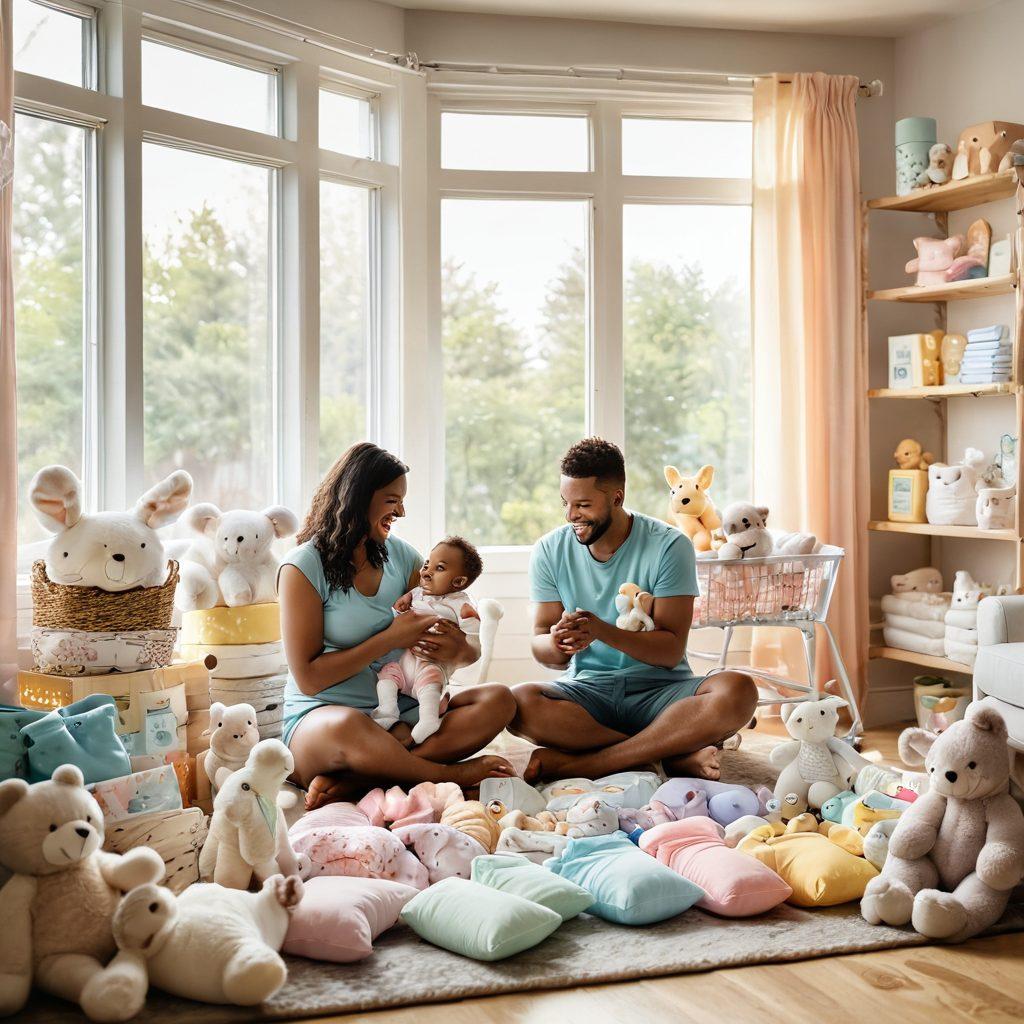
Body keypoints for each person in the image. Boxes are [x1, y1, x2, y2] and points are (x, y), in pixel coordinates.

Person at [278, 442, 515, 809]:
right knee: (348, 728)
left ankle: (359, 780)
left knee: (498, 700)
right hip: (325, 718)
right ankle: (446, 775)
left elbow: (455, 635)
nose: (401, 511)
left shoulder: (401, 556)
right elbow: (309, 678)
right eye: (392, 500)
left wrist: (461, 649)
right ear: (358, 498)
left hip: (400, 715)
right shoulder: (302, 568)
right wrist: (389, 638)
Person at [511, 437, 758, 782]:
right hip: (589, 693)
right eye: (565, 503)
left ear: (616, 498)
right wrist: (557, 642)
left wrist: (601, 630)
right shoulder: (549, 550)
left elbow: (671, 651)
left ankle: (589, 764)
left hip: (662, 693)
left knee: (738, 691)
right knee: (518, 702)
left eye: (582, 504)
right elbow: (543, 646)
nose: (571, 516)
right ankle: (669, 755)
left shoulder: (670, 546)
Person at [372, 536, 484, 745]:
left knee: (431, 683)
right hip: (406, 661)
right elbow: (398, 614)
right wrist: (400, 606)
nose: (426, 571)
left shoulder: (460, 602)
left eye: (439, 568)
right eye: (427, 564)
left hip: (430, 663)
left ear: (458, 582)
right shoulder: (417, 593)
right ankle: (387, 710)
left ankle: (428, 719)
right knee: (387, 674)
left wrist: (470, 620)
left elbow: (472, 632)